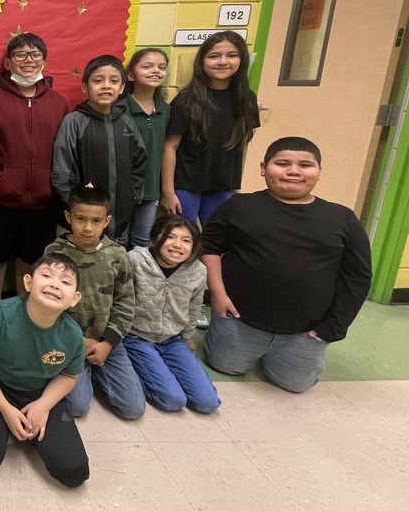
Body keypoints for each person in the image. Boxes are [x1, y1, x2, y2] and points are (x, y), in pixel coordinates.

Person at [201, 137, 372, 393]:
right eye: (282, 163)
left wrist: (333, 327)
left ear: (319, 171)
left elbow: (358, 277)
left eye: (305, 165)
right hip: (239, 319)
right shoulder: (239, 206)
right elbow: (209, 247)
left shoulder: (342, 218)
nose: (293, 171)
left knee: (295, 385)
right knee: (225, 365)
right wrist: (218, 294)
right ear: (263, 168)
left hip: (306, 331)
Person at [0, 252, 89, 488]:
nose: (54, 284)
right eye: (46, 275)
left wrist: (44, 405)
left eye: (65, 281)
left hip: (40, 391)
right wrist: (5, 409)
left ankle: (25, 419)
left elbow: (69, 376)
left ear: (74, 298)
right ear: (28, 282)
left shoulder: (73, 335)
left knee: (74, 472)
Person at [0, 33, 69, 306]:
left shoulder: (57, 103)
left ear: (44, 61)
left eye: (35, 54)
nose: (28, 60)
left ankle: (22, 305)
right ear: (8, 62)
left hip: (42, 200)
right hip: (0, 197)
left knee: (29, 254)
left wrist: (52, 183)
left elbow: (64, 151)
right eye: (20, 54)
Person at [44, 183, 145, 420]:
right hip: (69, 342)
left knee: (133, 410)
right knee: (78, 408)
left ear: (107, 221)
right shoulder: (54, 252)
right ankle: (83, 372)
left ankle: (99, 368)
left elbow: (125, 302)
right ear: (68, 217)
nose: (88, 228)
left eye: (96, 221)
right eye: (80, 219)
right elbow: (45, 303)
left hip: (107, 341)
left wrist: (107, 343)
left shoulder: (118, 255)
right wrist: (78, 340)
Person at [161, 30, 260, 226]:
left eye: (231, 55)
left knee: (216, 234)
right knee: (183, 233)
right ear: (202, 61)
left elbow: (242, 145)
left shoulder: (247, 99)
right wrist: (168, 192)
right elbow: (169, 147)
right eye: (214, 56)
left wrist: (235, 184)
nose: (222, 61)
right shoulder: (186, 100)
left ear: (241, 60)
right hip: (185, 183)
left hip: (222, 183)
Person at [125, 215, 220, 414]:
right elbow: (119, 302)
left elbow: (194, 307)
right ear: (155, 238)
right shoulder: (135, 261)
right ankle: (136, 374)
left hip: (172, 339)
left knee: (207, 403)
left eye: (186, 240)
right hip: (136, 337)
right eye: (170, 237)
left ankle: (162, 371)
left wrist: (186, 336)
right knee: (173, 400)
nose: (177, 245)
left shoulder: (198, 271)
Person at [51, 54, 147, 239]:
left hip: (117, 218)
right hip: (79, 223)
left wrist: (131, 197)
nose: (106, 86)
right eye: (98, 80)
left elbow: (140, 162)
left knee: (111, 257)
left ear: (122, 87)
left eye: (114, 81)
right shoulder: (74, 122)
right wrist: (79, 207)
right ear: (85, 86)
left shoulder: (126, 122)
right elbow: (62, 173)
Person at [119, 48, 171, 249]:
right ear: (131, 75)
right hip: (123, 190)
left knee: (142, 243)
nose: (155, 71)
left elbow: (168, 150)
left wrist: (166, 190)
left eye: (161, 67)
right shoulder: (118, 109)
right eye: (147, 66)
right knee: (119, 241)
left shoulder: (166, 110)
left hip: (151, 189)